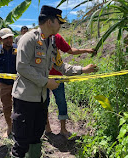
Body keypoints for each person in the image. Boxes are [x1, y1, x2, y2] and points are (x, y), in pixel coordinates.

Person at [11, 5, 97, 158]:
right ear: (50, 22)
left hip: (41, 99)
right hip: (25, 99)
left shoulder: (51, 43)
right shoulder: (29, 39)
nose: (61, 26)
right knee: (21, 140)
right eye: (59, 22)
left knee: (36, 136)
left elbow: (61, 66)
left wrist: (82, 69)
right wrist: (46, 82)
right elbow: (22, 67)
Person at [45, 33, 96, 138]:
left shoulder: (56, 38)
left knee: (61, 102)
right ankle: (47, 128)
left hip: (57, 77)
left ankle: (63, 129)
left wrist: (86, 51)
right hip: (41, 79)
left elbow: (69, 53)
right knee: (43, 104)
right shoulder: (35, 40)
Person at [0, 28, 17, 137]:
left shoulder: (18, 48)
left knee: (20, 106)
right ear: (0, 39)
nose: (9, 40)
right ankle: (10, 127)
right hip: (3, 83)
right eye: (6, 38)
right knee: (7, 106)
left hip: (18, 83)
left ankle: (19, 127)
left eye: (10, 37)